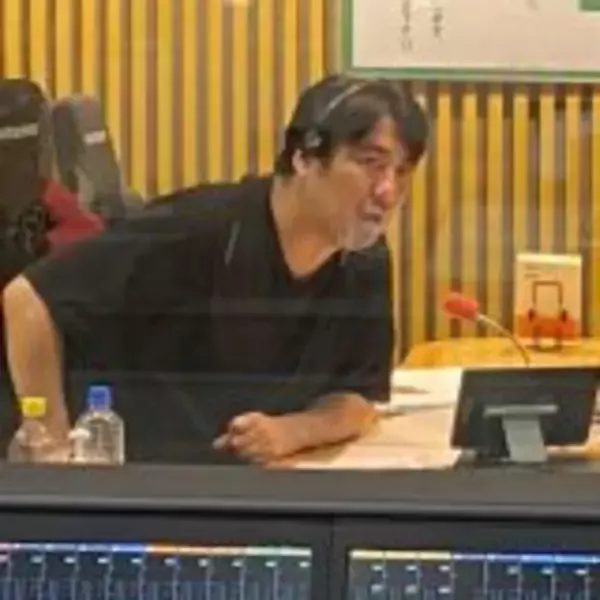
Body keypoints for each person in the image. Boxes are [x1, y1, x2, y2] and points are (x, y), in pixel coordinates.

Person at [3, 75, 429, 464]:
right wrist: (52, 446)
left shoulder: (365, 259)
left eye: (401, 172)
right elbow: (27, 298)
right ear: (304, 157)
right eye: (370, 163)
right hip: (135, 479)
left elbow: (358, 398)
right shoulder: (197, 230)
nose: (388, 191)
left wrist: (292, 431)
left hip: (243, 485)